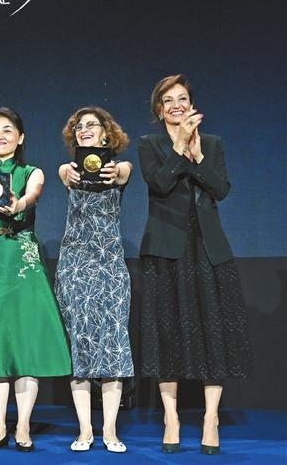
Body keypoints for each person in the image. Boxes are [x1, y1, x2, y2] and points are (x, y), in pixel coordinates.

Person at [138, 74, 251, 455]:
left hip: (207, 248)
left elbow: (221, 189)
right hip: (165, 248)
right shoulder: (149, 144)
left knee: (212, 332)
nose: (176, 105)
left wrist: (199, 156)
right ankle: (171, 418)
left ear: (191, 104)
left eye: (182, 98)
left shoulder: (213, 144)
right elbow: (159, 185)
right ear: (159, 110)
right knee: (167, 332)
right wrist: (179, 146)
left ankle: (210, 417)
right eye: (168, 100)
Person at [0, 106, 71, 452]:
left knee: (24, 342)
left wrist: (18, 204)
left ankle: (23, 425)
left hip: (23, 262)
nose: (0, 136)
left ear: (20, 137)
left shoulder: (31, 171)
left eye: (7, 130)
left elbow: (33, 194)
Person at [55, 106, 133, 453]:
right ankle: (85, 430)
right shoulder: (67, 169)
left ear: (106, 134)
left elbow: (123, 173)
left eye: (91, 125)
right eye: (79, 127)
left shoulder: (121, 167)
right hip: (74, 266)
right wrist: (69, 172)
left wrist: (115, 171)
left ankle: (110, 431)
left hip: (110, 266)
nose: (84, 129)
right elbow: (66, 174)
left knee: (113, 345)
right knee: (81, 346)